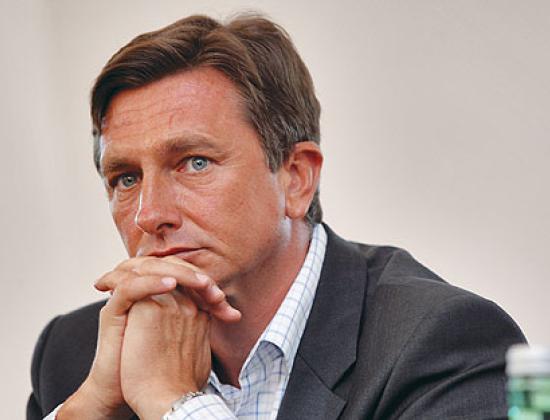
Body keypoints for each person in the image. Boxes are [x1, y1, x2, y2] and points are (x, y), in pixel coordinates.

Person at [27, 14, 526, 420]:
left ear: (295, 178)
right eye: (125, 178)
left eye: (194, 163)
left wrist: (174, 403)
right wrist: (86, 411)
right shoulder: (76, 355)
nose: (149, 214)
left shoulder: (440, 341)